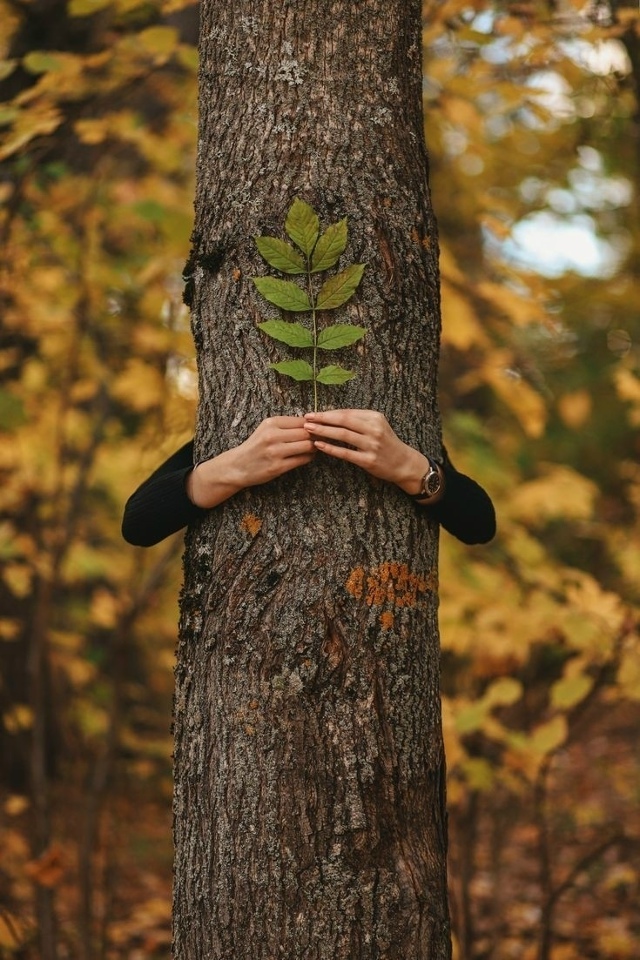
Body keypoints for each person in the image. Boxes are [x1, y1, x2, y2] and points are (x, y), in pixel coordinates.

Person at [122, 409, 496, 548]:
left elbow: (479, 523)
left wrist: (412, 468)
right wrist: (231, 468)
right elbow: (138, 523)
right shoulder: (230, 426)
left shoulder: (402, 422)